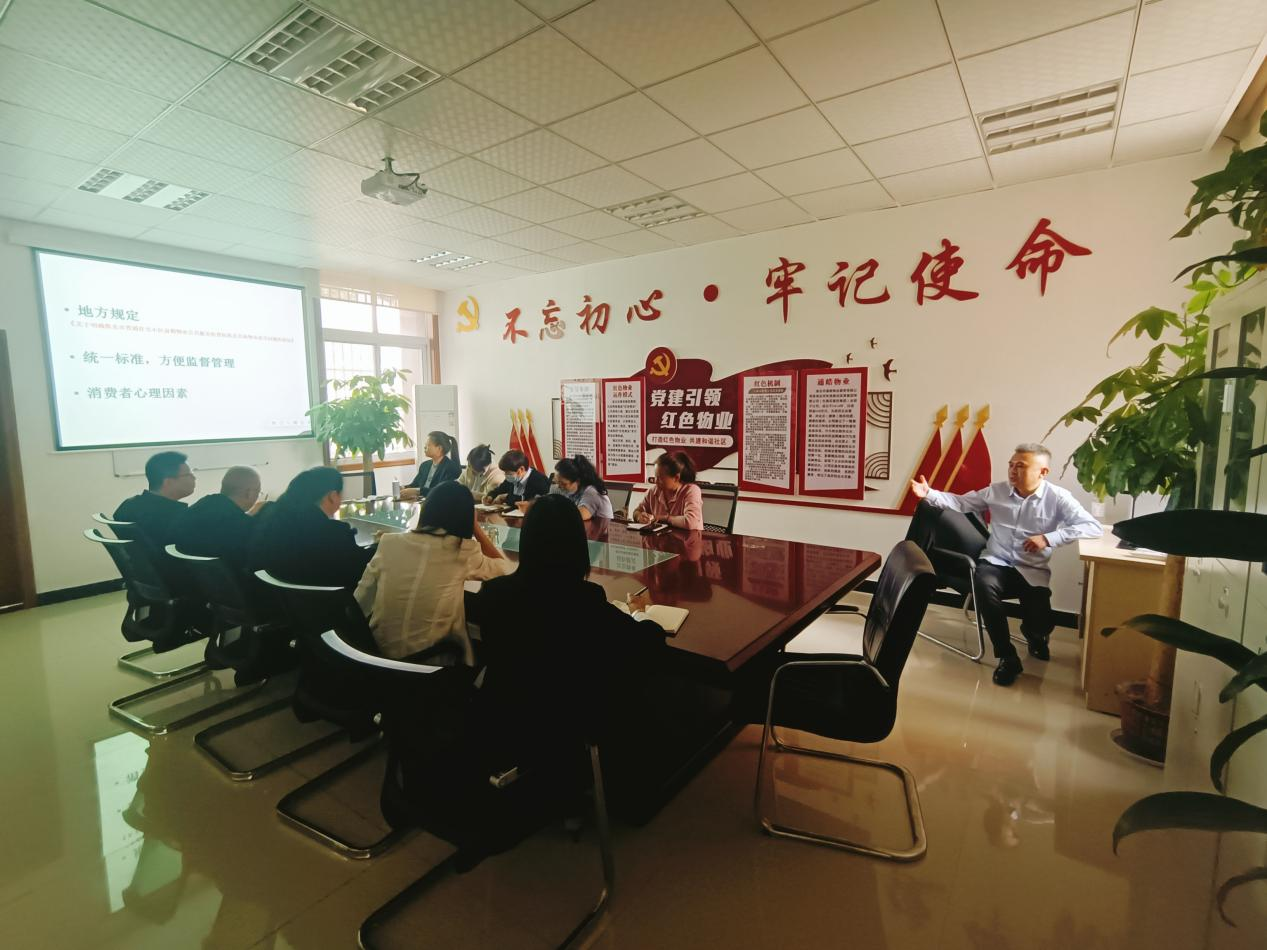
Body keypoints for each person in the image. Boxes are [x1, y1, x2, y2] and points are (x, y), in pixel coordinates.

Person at [472, 494, 667, 746]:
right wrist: (638, 612)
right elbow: (647, 642)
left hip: (500, 716)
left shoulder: (494, 592)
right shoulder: (584, 599)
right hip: (562, 725)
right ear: (577, 544)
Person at [910, 442, 1102, 687]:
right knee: (984, 585)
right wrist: (929, 493)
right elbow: (961, 503)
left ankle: (1034, 635)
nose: (1012, 470)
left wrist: (1049, 538)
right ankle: (1007, 657)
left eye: (1020, 466)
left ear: (1043, 472)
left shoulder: (1058, 497)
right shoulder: (997, 491)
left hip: (1032, 569)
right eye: (1011, 465)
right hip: (996, 561)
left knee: (1042, 622)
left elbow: (1092, 527)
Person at [355, 481, 509, 664]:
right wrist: (476, 528)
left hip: (378, 659)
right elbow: (503, 569)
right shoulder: (461, 551)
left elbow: (360, 603)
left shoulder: (388, 542)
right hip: (432, 663)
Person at [249, 466, 371, 589]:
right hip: (325, 598)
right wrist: (380, 546)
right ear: (332, 496)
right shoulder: (332, 533)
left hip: (274, 595)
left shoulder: (268, 517)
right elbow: (361, 570)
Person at [169, 466, 267, 568]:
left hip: (185, 572)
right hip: (226, 575)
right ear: (249, 493)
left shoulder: (201, 505)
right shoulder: (243, 527)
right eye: (258, 492)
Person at [114, 450, 196, 544]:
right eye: (189, 474)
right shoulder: (177, 518)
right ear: (168, 482)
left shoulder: (128, 506)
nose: (194, 478)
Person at [632, 451, 704, 531]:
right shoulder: (653, 492)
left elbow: (691, 522)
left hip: (688, 538)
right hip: (660, 538)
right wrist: (639, 517)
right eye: (655, 476)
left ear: (676, 478)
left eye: (660, 478)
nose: (656, 481)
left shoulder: (691, 490)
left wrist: (665, 518)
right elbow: (637, 511)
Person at [401, 431, 461, 501]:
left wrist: (418, 491)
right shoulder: (424, 465)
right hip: (421, 502)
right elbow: (415, 485)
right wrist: (404, 488)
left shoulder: (451, 468)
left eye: (428, 445)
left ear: (439, 448)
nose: (424, 447)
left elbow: (440, 491)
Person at [551, 454, 613, 521]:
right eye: (557, 482)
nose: (559, 486)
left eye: (563, 484)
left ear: (577, 481)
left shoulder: (592, 492)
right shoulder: (573, 491)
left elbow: (577, 516)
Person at [484, 449, 550, 509]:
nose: (506, 475)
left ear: (521, 469)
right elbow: (499, 490)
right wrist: (490, 496)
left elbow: (528, 501)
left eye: (508, 472)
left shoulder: (538, 480)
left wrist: (506, 497)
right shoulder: (512, 478)